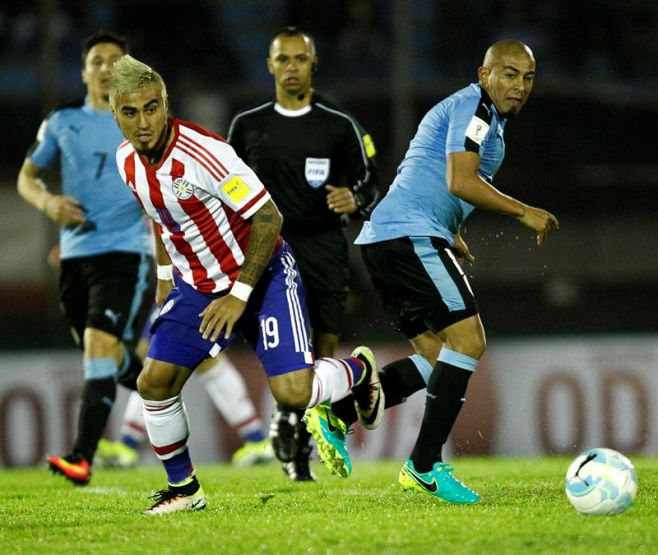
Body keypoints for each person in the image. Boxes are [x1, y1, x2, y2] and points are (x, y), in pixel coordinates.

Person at [109, 54, 382, 514]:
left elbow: (268, 217)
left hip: (264, 275)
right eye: (131, 112)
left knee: (293, 393)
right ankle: (185, 489)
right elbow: (159, 215)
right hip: (197, 288)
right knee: (154, 384)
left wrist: (239, 295)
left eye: (152, 107)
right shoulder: (126, 161)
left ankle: (358, 372)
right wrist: (162, 277)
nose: (143, 122)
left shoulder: (204, 154)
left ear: (166, 103)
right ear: (115, 114)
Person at [354, 39, 559, 504]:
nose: (519, 86)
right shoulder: (476, 108)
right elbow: (460, 180)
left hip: (389, 237)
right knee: (468, 341)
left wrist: (452, 230)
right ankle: (424, 465)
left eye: (527, 77)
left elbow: (425, 169)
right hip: (408, 236)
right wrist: (522, 211)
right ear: (484, 74)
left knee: (435, 359)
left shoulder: (479, 114)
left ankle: (338, 410)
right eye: (508, 74)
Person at [227, 26, 380, 482]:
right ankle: (291, 430)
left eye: (300, 59)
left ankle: (304, 433)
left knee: (325, 345)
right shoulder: (248, 126)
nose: (292, 67)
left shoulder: (337, 124)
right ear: (269, 65)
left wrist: (356, 199)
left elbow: (370, 179)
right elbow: (221, 185)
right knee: (284, 342)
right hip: (271, 249)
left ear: (314, 64)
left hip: (324, 247)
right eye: (283, 59)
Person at [16, 30, 154, 486]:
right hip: (76, 258)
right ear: (84, 72)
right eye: (97, 60)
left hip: (126, 254)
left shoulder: (140, 124)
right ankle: (162, 392)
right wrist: (49, 204)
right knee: (109, 360)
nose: (105, 68)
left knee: (99, 347)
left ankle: (82, 457)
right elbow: (28, 178)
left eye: (116, 61)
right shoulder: (62, 123)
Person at [96, 322, 275, 469]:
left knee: (180, 357)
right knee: (152, 354)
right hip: (180, 283)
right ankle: (257, 440)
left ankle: (257, 440)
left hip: (195, 284)